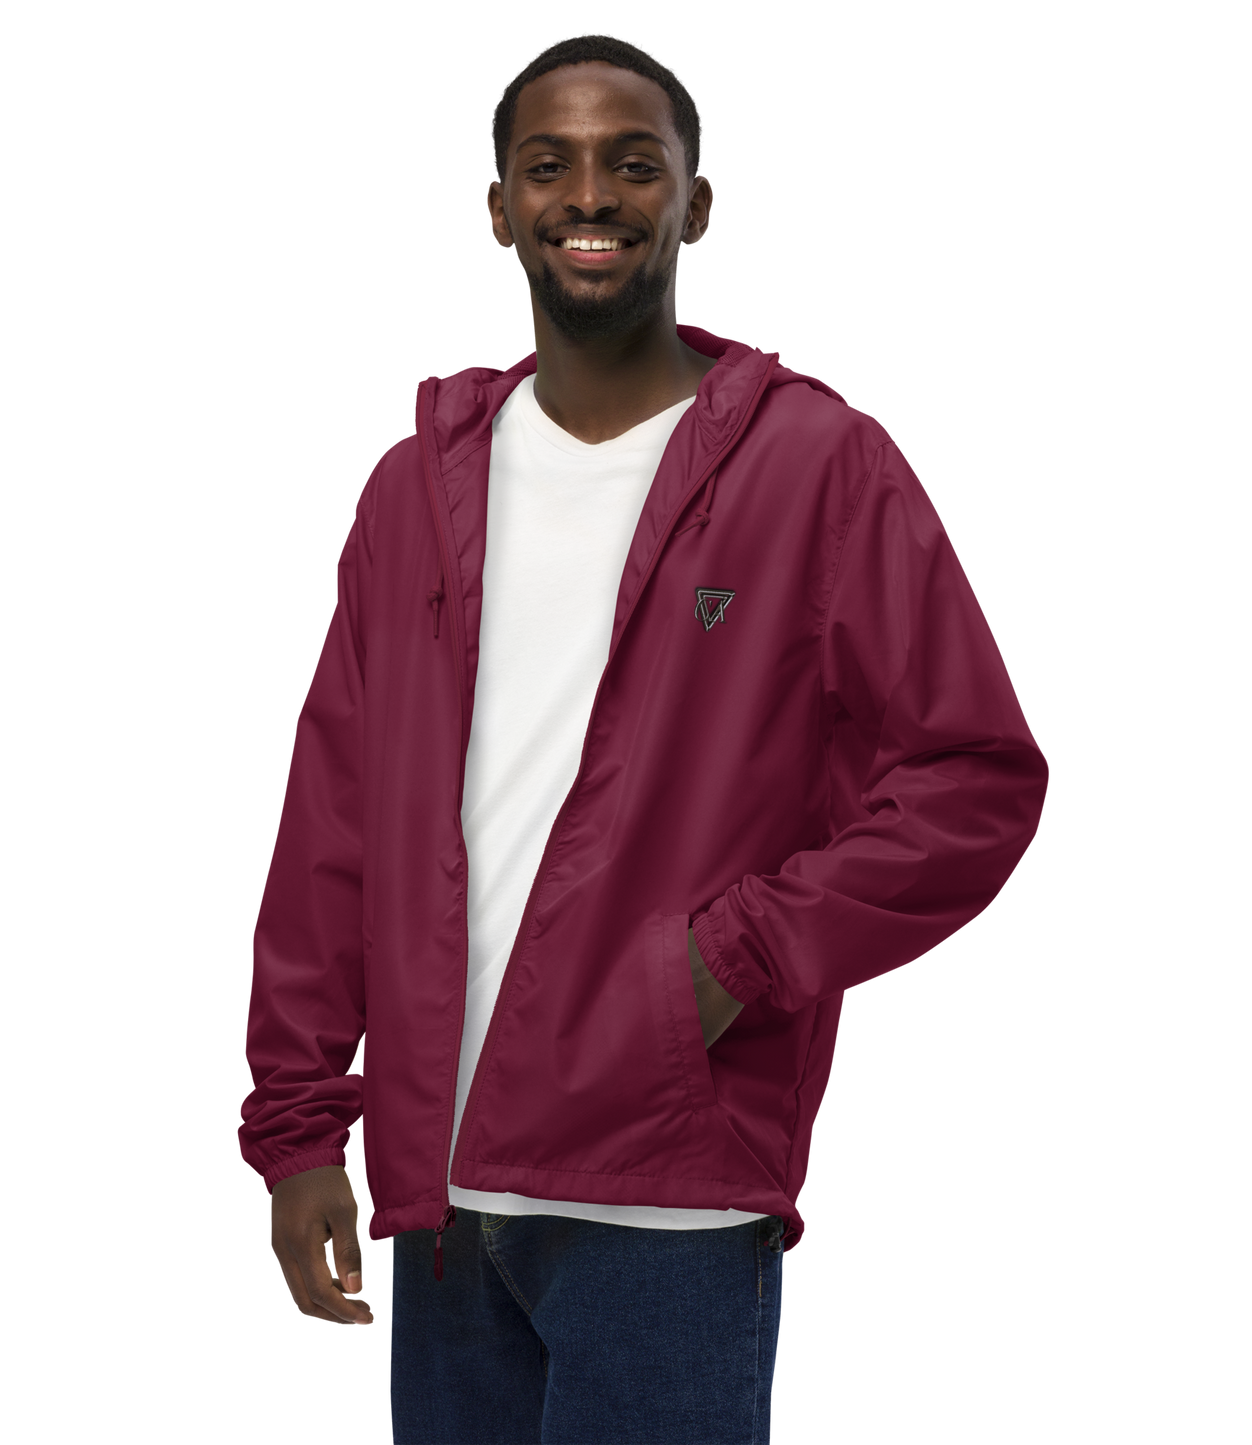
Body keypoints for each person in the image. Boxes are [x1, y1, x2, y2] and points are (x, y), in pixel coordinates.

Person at [239, 27, 1051, 1445]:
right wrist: (300, 1128)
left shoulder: (819, 464)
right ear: (499, 208)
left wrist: (737, 961)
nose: (589, 197)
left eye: (632, 163)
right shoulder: (412, 486)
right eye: (547, 165)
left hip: (666, 1189)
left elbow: (972, 778)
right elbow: (332, 820)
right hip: (438, 1203)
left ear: (698, 203)